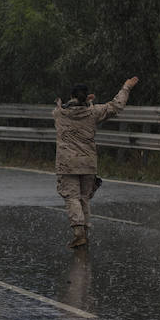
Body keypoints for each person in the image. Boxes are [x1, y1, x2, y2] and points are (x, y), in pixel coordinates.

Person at [53, 76, 139, 248]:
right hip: (88, 163)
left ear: (72, 95)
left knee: (72, 197)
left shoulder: (59, 113)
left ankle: (78, 231)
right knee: (84, 197)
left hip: (67, 163)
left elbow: (64, 107)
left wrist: (76, 102)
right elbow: (115, 106)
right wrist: (126, 88)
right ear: (88, 97)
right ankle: (85, 231)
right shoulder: (94, 112)